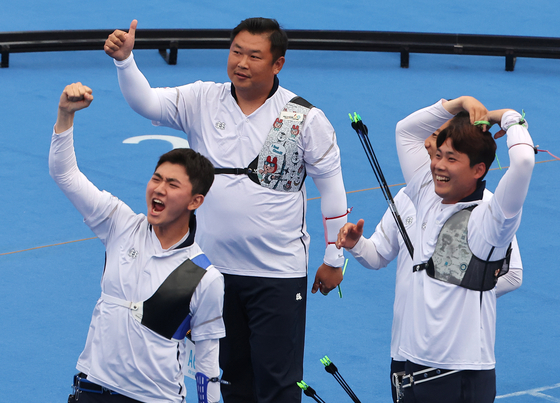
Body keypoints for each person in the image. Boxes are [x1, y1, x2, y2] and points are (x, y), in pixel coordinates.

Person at [104, 18, 348, 402]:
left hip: (277, 273)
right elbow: (145, 101)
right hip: (208, 271)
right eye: (236, 52)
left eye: (254, 56)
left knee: (278, 381)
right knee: (226, 377)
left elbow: (333, 191)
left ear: (278, 64)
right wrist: (124, 60)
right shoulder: (202, 98)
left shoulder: (305, 118)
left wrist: (334, 258)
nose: (242, 62)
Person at [50, 82, 225, 403]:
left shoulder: (205, 277)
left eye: (172, 184)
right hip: (93, 389)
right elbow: (65, 174)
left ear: (195, 201)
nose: (159, 189)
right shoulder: (119, 223)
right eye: (156, 178)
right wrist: (65, 115)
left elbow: (207, 360)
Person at [336, 107, 523, 403]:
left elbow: (512, 274)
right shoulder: (412, 195)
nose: (429, 145)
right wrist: (357, 245)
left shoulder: (487, 209)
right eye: (434, 139)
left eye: (440, 140)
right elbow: (378, 256)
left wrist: (452, 289)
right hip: (405, 349)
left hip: (453, 359)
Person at [388, 96, 534, 403]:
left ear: (479, 169)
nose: (438, 165)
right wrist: (458, 104)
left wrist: (506, 116)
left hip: (460, 377)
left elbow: (523, 162)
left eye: (451, 159)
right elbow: (405, 131)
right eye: (438, 155)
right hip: (414, 365)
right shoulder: (427, 193)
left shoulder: (492, 219)